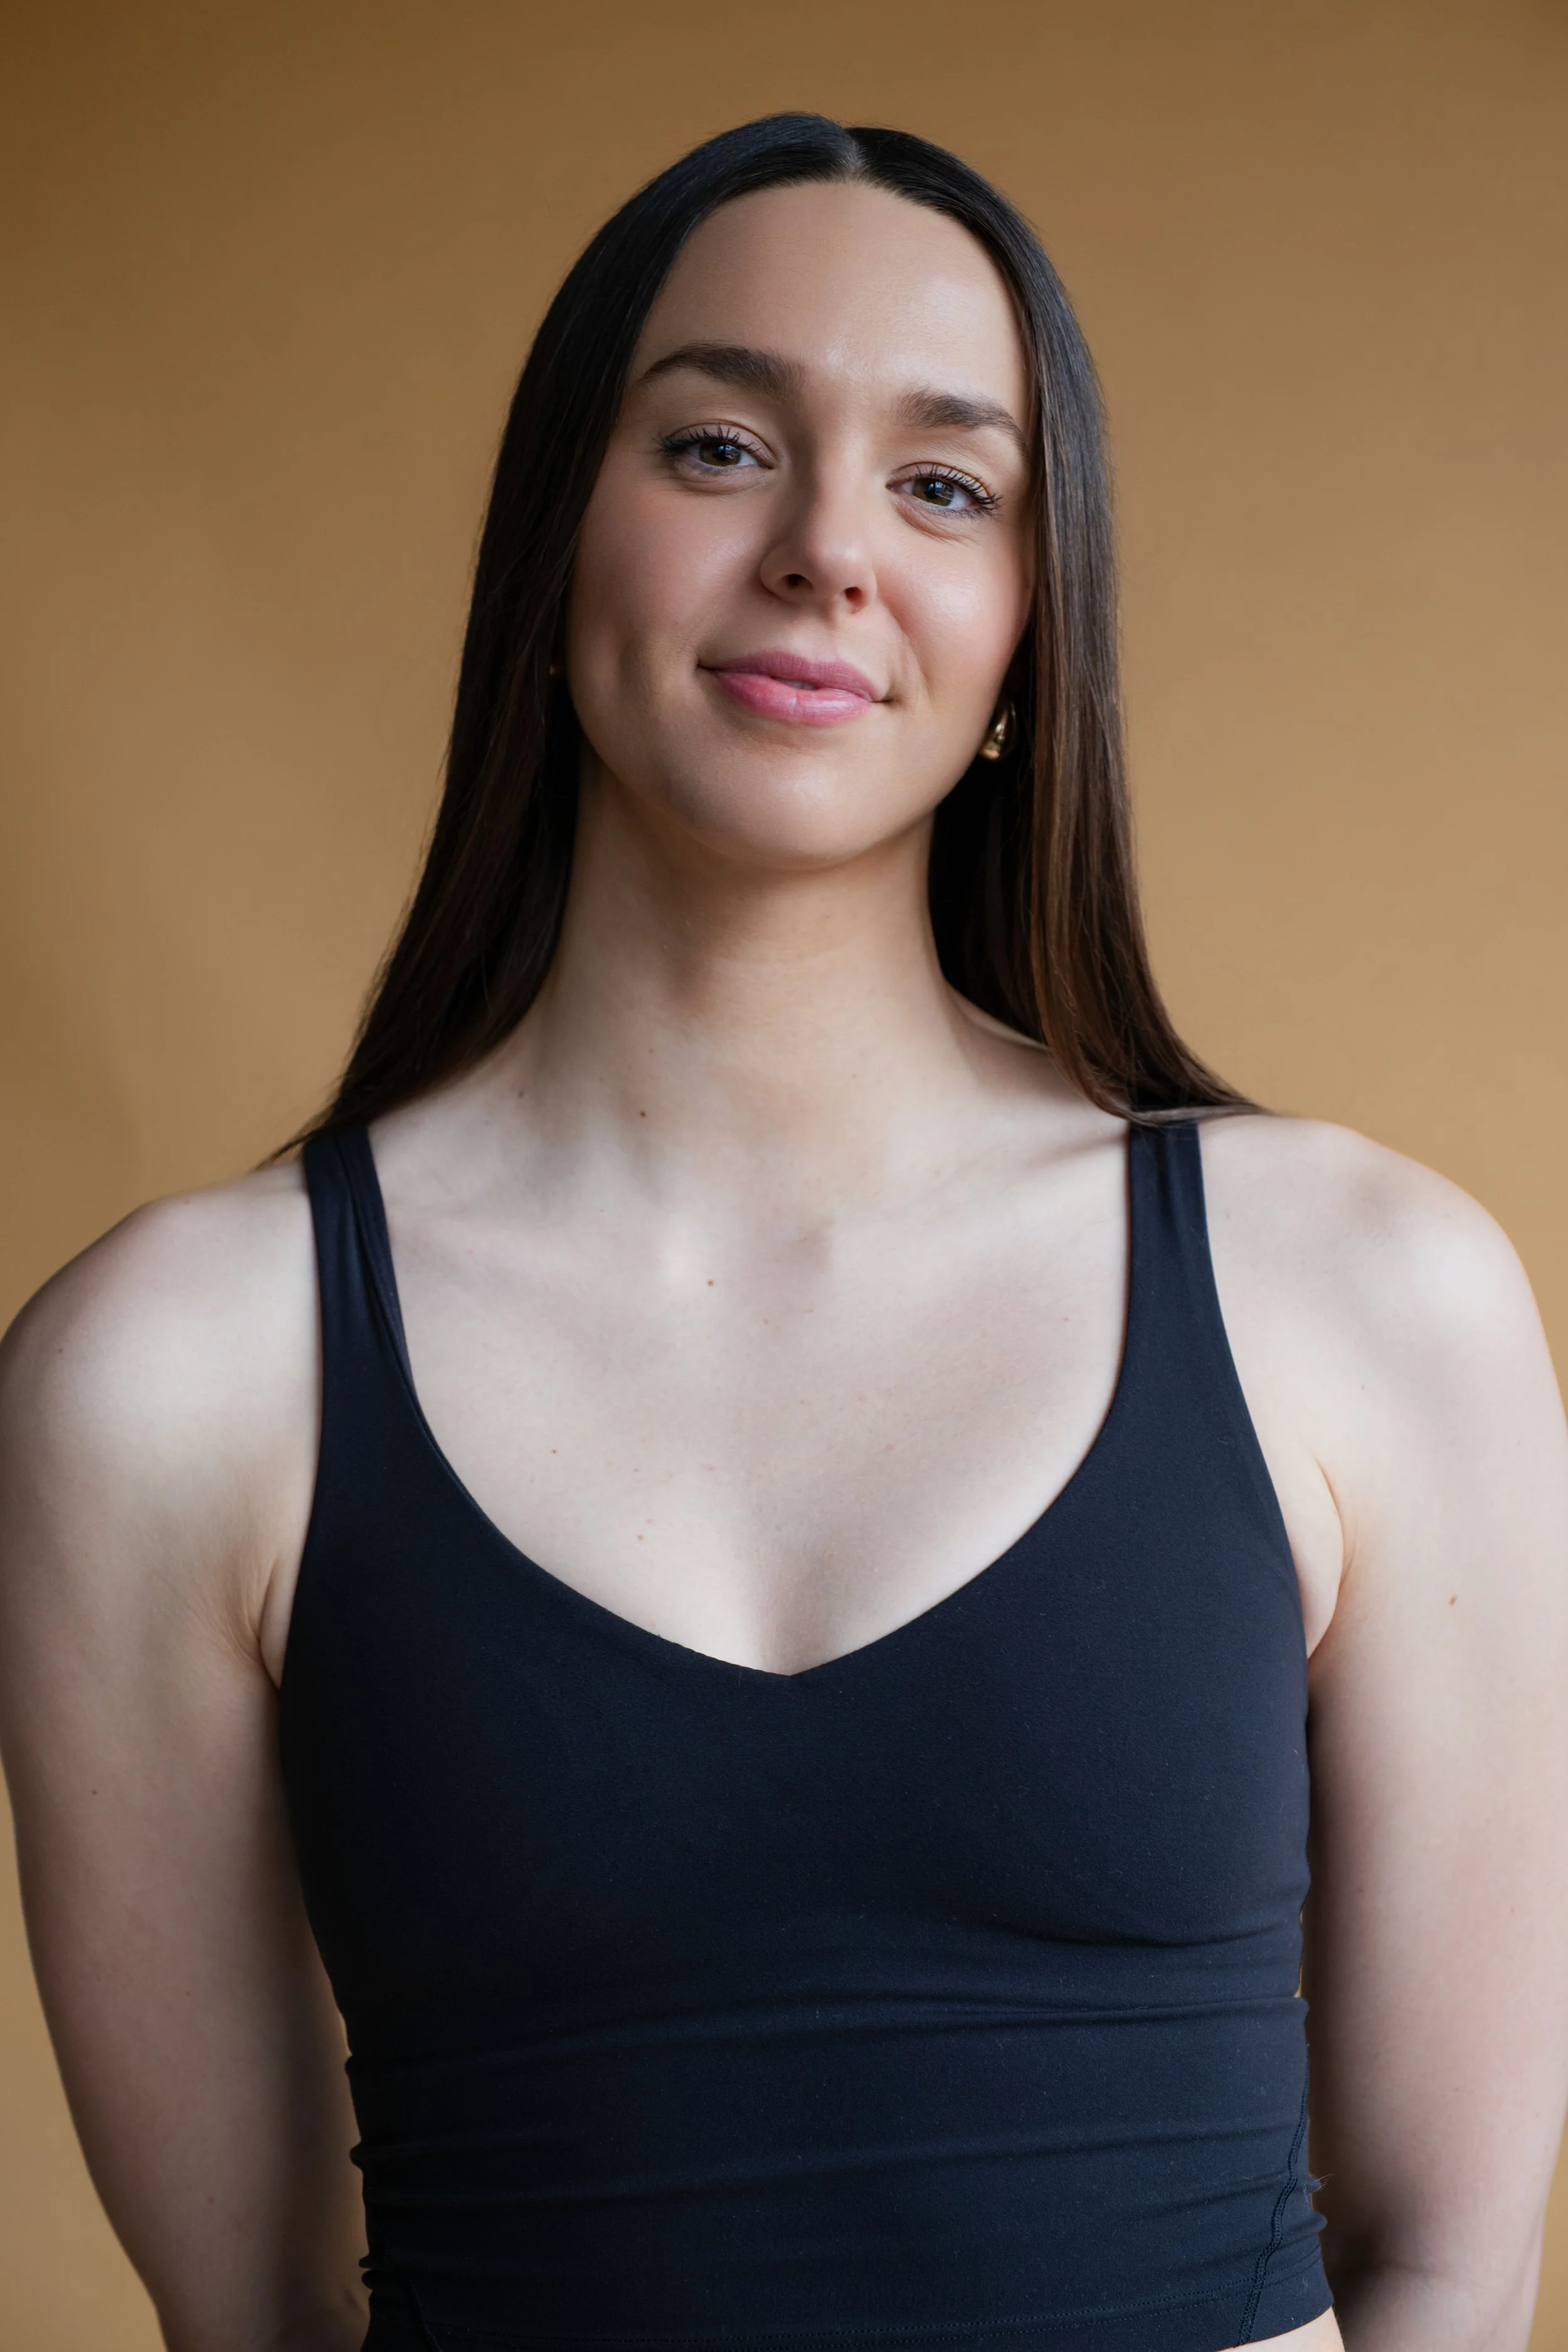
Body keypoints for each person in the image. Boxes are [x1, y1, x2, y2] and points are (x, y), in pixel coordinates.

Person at [1, 112, 1564, 2352]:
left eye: (944, 484)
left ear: (1031, 628)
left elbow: (1450, 2269)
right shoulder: (171, 1372)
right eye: (720, 446)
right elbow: (254, 2312)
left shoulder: (1368, 1293)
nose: (829, 549)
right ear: (556, 537)